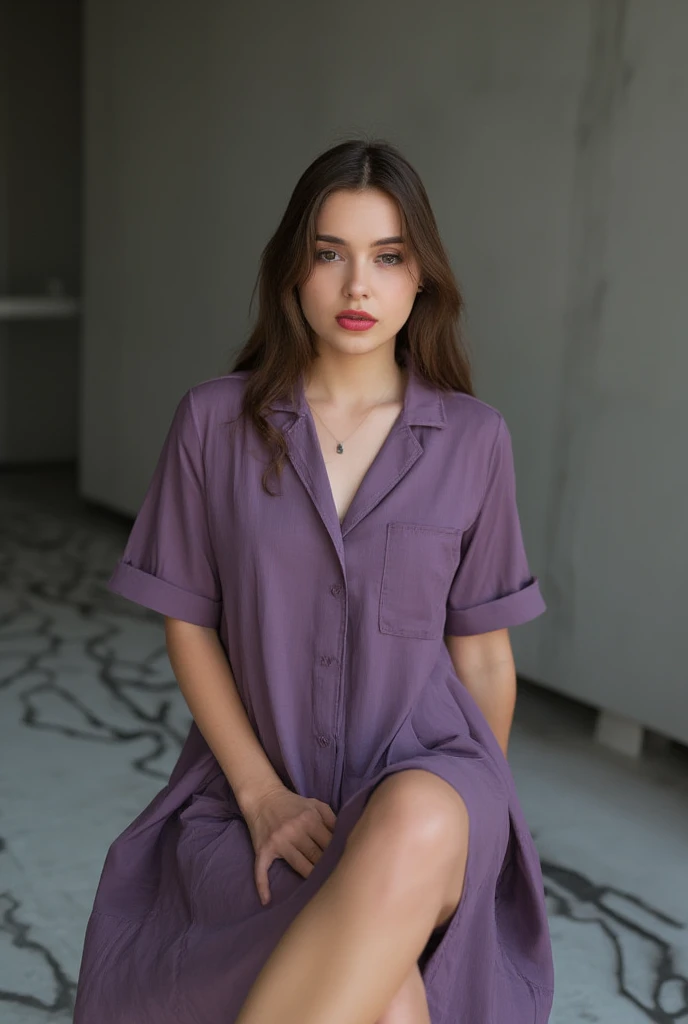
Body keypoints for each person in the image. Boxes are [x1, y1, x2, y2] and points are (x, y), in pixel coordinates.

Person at [73, 137, 555, 1023]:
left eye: (388, 257)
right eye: (330, 254)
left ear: (422, 280)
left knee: (416, 821)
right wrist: (258, 795)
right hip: (262, 788)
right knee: (392, 1000)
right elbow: (190, 623)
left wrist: (480, 830)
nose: (357, 286)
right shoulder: (214, 424)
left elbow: (484, 656)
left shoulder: (475, 440)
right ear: (293, 272)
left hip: (433, 786)